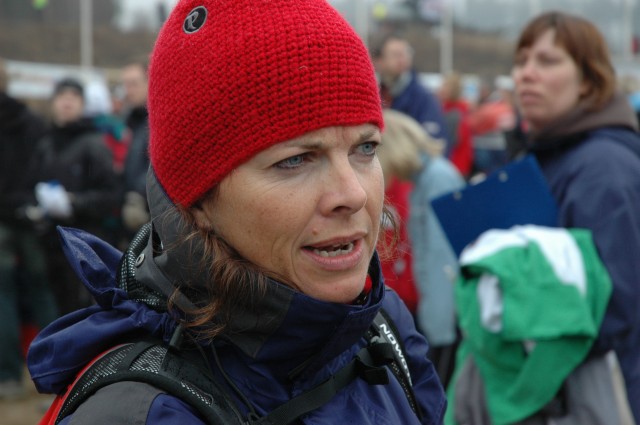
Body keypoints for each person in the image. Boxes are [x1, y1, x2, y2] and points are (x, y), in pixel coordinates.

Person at [27, 1, 447, 424]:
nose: (353, 194)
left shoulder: (385, 332)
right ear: (199, 202)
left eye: (366, 148)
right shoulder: (143, 414)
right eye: (294, 160)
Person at [510, 11, 640, 422]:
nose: (526, 74)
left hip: (600, 397)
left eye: (547, 61)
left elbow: (611, 311)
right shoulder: (553, 156)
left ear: (587, 79)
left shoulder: (602, 169)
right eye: (521, 61)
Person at [381, 109, 465, 389]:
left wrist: (439, 330)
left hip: (445, 319)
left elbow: (442, 260)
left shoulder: (436, 180)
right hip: (440, 311)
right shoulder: (426, 179)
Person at [27, 77, 121, 316]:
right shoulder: (45, 144)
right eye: (62, 96)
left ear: (83, 104)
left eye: (74, 97)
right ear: (53, 102)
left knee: (79, 313)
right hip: (50, 242)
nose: (67, 102)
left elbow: (111, 195)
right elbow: (31, 184)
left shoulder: (94, 144)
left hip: (83, 244)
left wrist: (74, 202)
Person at [0, 58, 58, 399]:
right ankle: (56, 371)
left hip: (3, 220)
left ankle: (8, 377)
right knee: (41, 292)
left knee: (4, 296)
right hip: (30, 215)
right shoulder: (31, 120)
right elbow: (45, 168)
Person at [372, 34, 449, 145]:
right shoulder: (374, 94)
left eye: (406, 54)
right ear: (379, 61)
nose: (402, 59)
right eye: (395, 55)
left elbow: (435, 144)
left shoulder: (423, 98)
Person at [119, 57, 151, 237]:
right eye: (125, 85)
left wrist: (139, 195)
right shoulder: (128, 121)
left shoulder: (158, 121)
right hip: (127, 212)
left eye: (133, 84)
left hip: (149, 213)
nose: (128, 91)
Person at [437, 72, 474, 179]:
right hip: (460, 166)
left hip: (454, 167)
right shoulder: (461, 110)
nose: (440, 89)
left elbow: (450, 141)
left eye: (445, 86)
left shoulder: (452, 113)